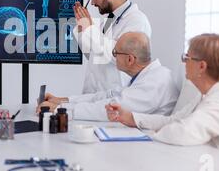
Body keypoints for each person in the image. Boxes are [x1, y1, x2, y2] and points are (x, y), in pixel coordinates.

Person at [106, 33, 219, 158]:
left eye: (187, 57)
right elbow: (174, 120)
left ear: (202, 66)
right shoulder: (208, 93)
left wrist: (148, 136)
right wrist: (130, 117)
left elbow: (182, 132)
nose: (184, 62)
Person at [38, 32, 178, 121]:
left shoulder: (155, 82)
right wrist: (61, 101)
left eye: (116, 53)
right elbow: (104, 97)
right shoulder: (144, 77)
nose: (113, 57)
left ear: (130, 59)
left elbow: (108, 109)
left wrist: (58, 110)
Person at [73, 0, 151, 94]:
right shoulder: (110, 19)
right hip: (94, 94)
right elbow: (92, 53)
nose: (92, 3)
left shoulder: (137, 21)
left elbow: (119, 56)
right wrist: (82, 26)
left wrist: (90, 29)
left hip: (114, 96)